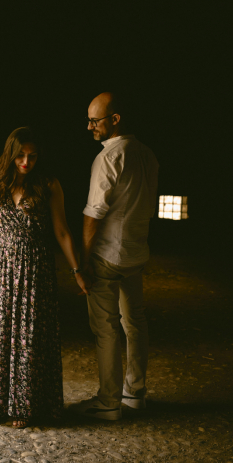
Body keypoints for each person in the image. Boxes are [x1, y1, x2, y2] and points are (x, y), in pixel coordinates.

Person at [0, 126, 88, 429]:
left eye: (33, 156)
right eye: (21, 156)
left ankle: (25, 406)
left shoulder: (49, 185)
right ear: (11, 156)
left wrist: (77, 271)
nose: (26, 162)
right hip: (3, 270)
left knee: (30, 338)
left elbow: (62, 231)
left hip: (35, 270)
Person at [71, 92, 159, 420]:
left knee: (106, 328)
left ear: (115, 119)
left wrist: (82, 262)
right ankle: (135, 393)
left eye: (96, 120)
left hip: (108, 255)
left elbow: (93, 215)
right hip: (136, 253)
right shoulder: (147, 155)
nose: (90, 126)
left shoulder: (108, 158)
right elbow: (148, 208)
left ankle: (108, 402)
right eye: (89, 120)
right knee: (135, 323)